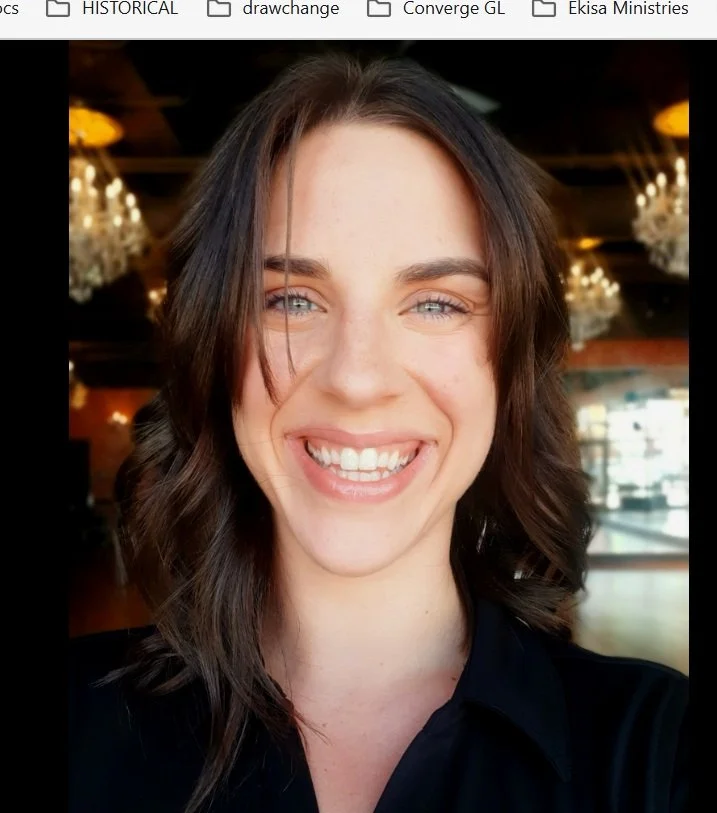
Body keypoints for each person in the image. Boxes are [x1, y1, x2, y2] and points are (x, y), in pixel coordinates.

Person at [69, 54, 688, 813]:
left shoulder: (657, 748)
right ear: (213, 344)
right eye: (292, 299)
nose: (357, 379)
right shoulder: (77, 720)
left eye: (435, 303)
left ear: (511, 363)